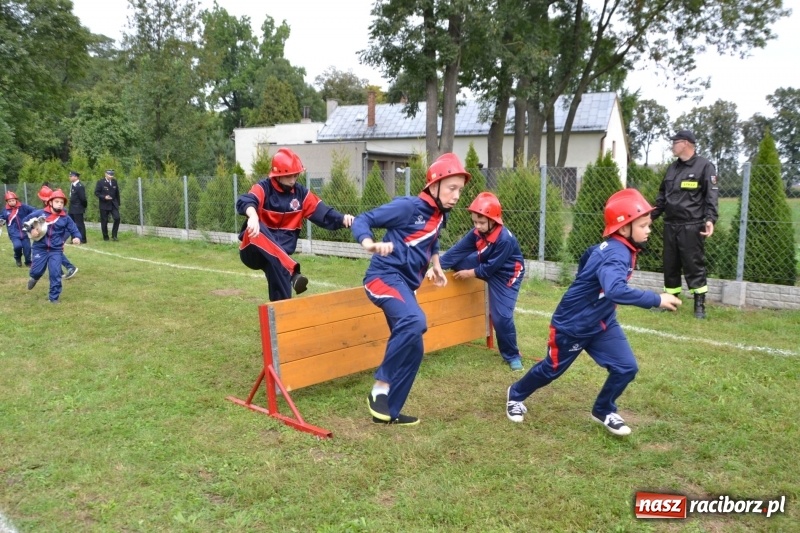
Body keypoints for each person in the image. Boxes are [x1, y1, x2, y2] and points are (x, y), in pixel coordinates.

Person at [504, 189, 682, 436]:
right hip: (572, 325)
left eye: (648, 224)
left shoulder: (618, 247)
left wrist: (586, 284)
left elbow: (589, 254)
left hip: (602, 322)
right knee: (551, 370)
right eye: (643, 225)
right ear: (623, 229)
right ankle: (515, 394)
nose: (649, 229)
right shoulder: (617, 253)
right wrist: (656, 299)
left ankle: (603, 410)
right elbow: (615, 290)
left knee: (626, 367)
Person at [352, 152, 470, 426]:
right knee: (414, 320)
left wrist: (436, 262)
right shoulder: (409, 207)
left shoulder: (441, 214)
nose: (456, 196)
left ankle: (388, 412)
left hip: (406, 285)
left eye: (460, 190)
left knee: (415, 348)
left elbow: (433, 237)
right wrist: (368, 243)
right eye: (452, 188)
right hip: (382, 277)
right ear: (434, 185)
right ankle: (379, 390)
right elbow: (363, 219)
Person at [236, 147, 355, 302]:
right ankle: (293, 272)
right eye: (288, 176)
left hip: (279, 258)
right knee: (258, 227)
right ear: (277, 175)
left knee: (282, 296)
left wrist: (343, 219)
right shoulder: (263, 188)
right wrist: (252, 216)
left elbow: (323, 213)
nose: (293, 180)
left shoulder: (301, 194)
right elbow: (245, 200)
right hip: (253, 251)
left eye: (295, 175)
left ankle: (283, 320)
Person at [429, 191, 526, 371]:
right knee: (456, 261)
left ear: (494, 220)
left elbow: (491, 268)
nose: (477, 226)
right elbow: (457, 251)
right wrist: (437, 266)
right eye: (475, 222)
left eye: (481, 222)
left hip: (506, 275)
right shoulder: (476, 233)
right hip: (486, 263)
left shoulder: (505, 240)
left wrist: (469, 273)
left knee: (501, 317)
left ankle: (512, 355)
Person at [651, 129, 719, 319]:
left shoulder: (705, 166)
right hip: (670, 225)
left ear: (686, 143)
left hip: (692, 225)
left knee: (693, 264)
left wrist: (710, 219)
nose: (672, 145)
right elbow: (662, 197)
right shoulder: (672, 168)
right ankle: (670, 301)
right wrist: (651, 216)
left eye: (675, 142)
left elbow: (711, 197)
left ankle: (699, 305)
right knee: (670, 264)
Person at [23, 189, 82, 303]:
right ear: (50, 202)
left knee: (55, 273)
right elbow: (25, 221)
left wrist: (76, 237)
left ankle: (53, 298)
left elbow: (74, 229)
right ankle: (34, 277)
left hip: (56, 250)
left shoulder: (65, 218)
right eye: (57, 201)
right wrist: (32, 230)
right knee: (37, 271)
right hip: (40, 248)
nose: (60, 204)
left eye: (62, 202)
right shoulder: (40, 213)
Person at [39, 184, 78, 279]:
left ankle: (70, 267)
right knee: (51, 251)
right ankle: (59, 272)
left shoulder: (58, 208)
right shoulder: (49, 206)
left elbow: (66, 225)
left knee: (55, 250)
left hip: (63, 232)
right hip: (56, 233)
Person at [1, 191, 36, 267]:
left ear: (16, 200)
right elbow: (2, 218)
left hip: (25, 231)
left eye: (13, 200)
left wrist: (32, 218)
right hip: (13, 233)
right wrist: (1, 221)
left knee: (27, 248)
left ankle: (28, 262)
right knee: (17, 246)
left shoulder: (23, 207)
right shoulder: (5, 210)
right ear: (7, 202)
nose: (12, 202)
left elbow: (34, 210)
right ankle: (18, 258)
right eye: (9, 201)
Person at [94, 169, 121, 241]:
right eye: (109, 175)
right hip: (104, 204)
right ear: (105, 174)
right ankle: (105, 237)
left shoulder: (114, 182)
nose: (111, 176)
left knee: (117, 218)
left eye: (112, 175)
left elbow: (117, 193)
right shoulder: (100, 182)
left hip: (113, 204)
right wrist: (104, 197)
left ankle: (114, 235)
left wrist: (118, 203)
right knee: (104, 221)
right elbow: (97, 193)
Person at [68, 171, 88, 243]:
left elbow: (83, 198)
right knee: (72, 224)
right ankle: (74, 238)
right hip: (72, 208)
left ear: (76, 177)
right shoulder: (72, 185)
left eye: (71, 176)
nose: (70, 177)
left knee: (79, 224)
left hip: (78, 208)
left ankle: (82, 238)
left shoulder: (79, 186)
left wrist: (83, 206)